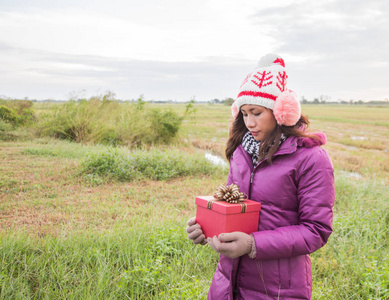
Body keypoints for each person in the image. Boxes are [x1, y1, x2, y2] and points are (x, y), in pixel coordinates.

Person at [186, 53, 335, 300]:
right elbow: (232, 205)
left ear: (281, 112)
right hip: (229, 281)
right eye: (244, 113)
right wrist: (207, 223)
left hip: (278, 288)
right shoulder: (241, 152)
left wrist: (253, 244)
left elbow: (316, 230)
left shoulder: (312, 159)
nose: (249, 122)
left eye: (256, 112)